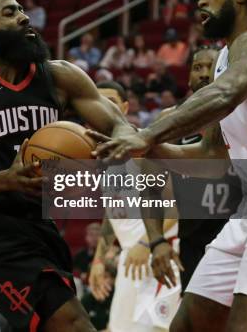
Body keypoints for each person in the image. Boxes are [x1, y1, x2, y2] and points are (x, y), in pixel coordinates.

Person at [91, 0, 247, 332]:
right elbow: (210, 154)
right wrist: (146, 149)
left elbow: (227, 94)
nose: (199, 2)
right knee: (187, 325)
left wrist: (148, 134)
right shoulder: (224, 60)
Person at [0, 0, 137, 332]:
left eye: (22, 9)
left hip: (43, 224)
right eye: (9, 13)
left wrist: (119, 142)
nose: (24, 17)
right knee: (72, 324)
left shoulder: (59, 76)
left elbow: (118, 124)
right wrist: (5, 179)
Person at [141, 46, 243, 292]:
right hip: (193, 243)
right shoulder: (168, 120)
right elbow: (149, 190)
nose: (205, 73)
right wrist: (156, 241)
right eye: (198, 67)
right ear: (187, 77)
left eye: (213, 66)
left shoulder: (245, 113)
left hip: (244, 238)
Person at [89, 81, 180, 332]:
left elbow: (179, 202)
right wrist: (98, 259)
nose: (103, 109)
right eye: (98, 103)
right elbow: (113, 211)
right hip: (131, 258)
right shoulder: (103, 154)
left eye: (111, 102)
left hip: (160, 253)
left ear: (125, 107)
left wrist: (146, 242)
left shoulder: (142, 146)